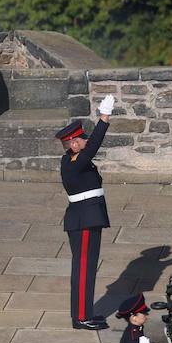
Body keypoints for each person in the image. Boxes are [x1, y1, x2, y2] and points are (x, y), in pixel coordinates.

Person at [56, 95, 115, 330]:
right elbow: (93, 146)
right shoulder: (74, 163)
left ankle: (84, 313)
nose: (85, 141)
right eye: (81, 139)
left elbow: (89, 149)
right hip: (84, 221)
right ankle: (81, 317)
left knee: (87, 268)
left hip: (87, 218)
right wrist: (104, 117)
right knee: (83, 270)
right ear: (74, 144)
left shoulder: (72, 160)